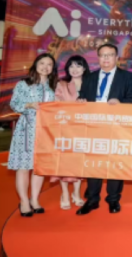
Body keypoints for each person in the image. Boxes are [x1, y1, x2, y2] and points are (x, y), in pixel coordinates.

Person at [76, 44, 132, 215]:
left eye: (110, 55)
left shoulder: (127, 77)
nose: (106, 58)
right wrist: (80, 100)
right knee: (94, 162)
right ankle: (92, 199)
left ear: (116, 58)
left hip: (116, 126)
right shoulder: (89, 77)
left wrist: (120, 103)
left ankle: (113, 199)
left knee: (115, 162)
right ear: (98, 58)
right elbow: (83, 97)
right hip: (94, 126)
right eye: (103, 55)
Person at [8, 53, 57, 217]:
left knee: (39, 168)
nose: (45, 67)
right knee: (23, 167)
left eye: (49, 64)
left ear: (52, 68)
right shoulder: (24, 84)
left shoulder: (53, 86)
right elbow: (14, 104)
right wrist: (29, 104)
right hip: (26, 131)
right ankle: (24, 201)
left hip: (45, 131)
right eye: (42, 63)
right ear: (36, 65)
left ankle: (35, 199)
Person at [52, 55, 89, 210]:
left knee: (79, 162)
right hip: (65, 129)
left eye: (78, 66)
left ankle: (77, 193)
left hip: (84, 129)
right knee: (65, 163)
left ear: (84, 68)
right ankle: (65, 194)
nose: (75, 69)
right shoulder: (62, 84)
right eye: (71, 66)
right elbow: (56, 104)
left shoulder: (90, 84)